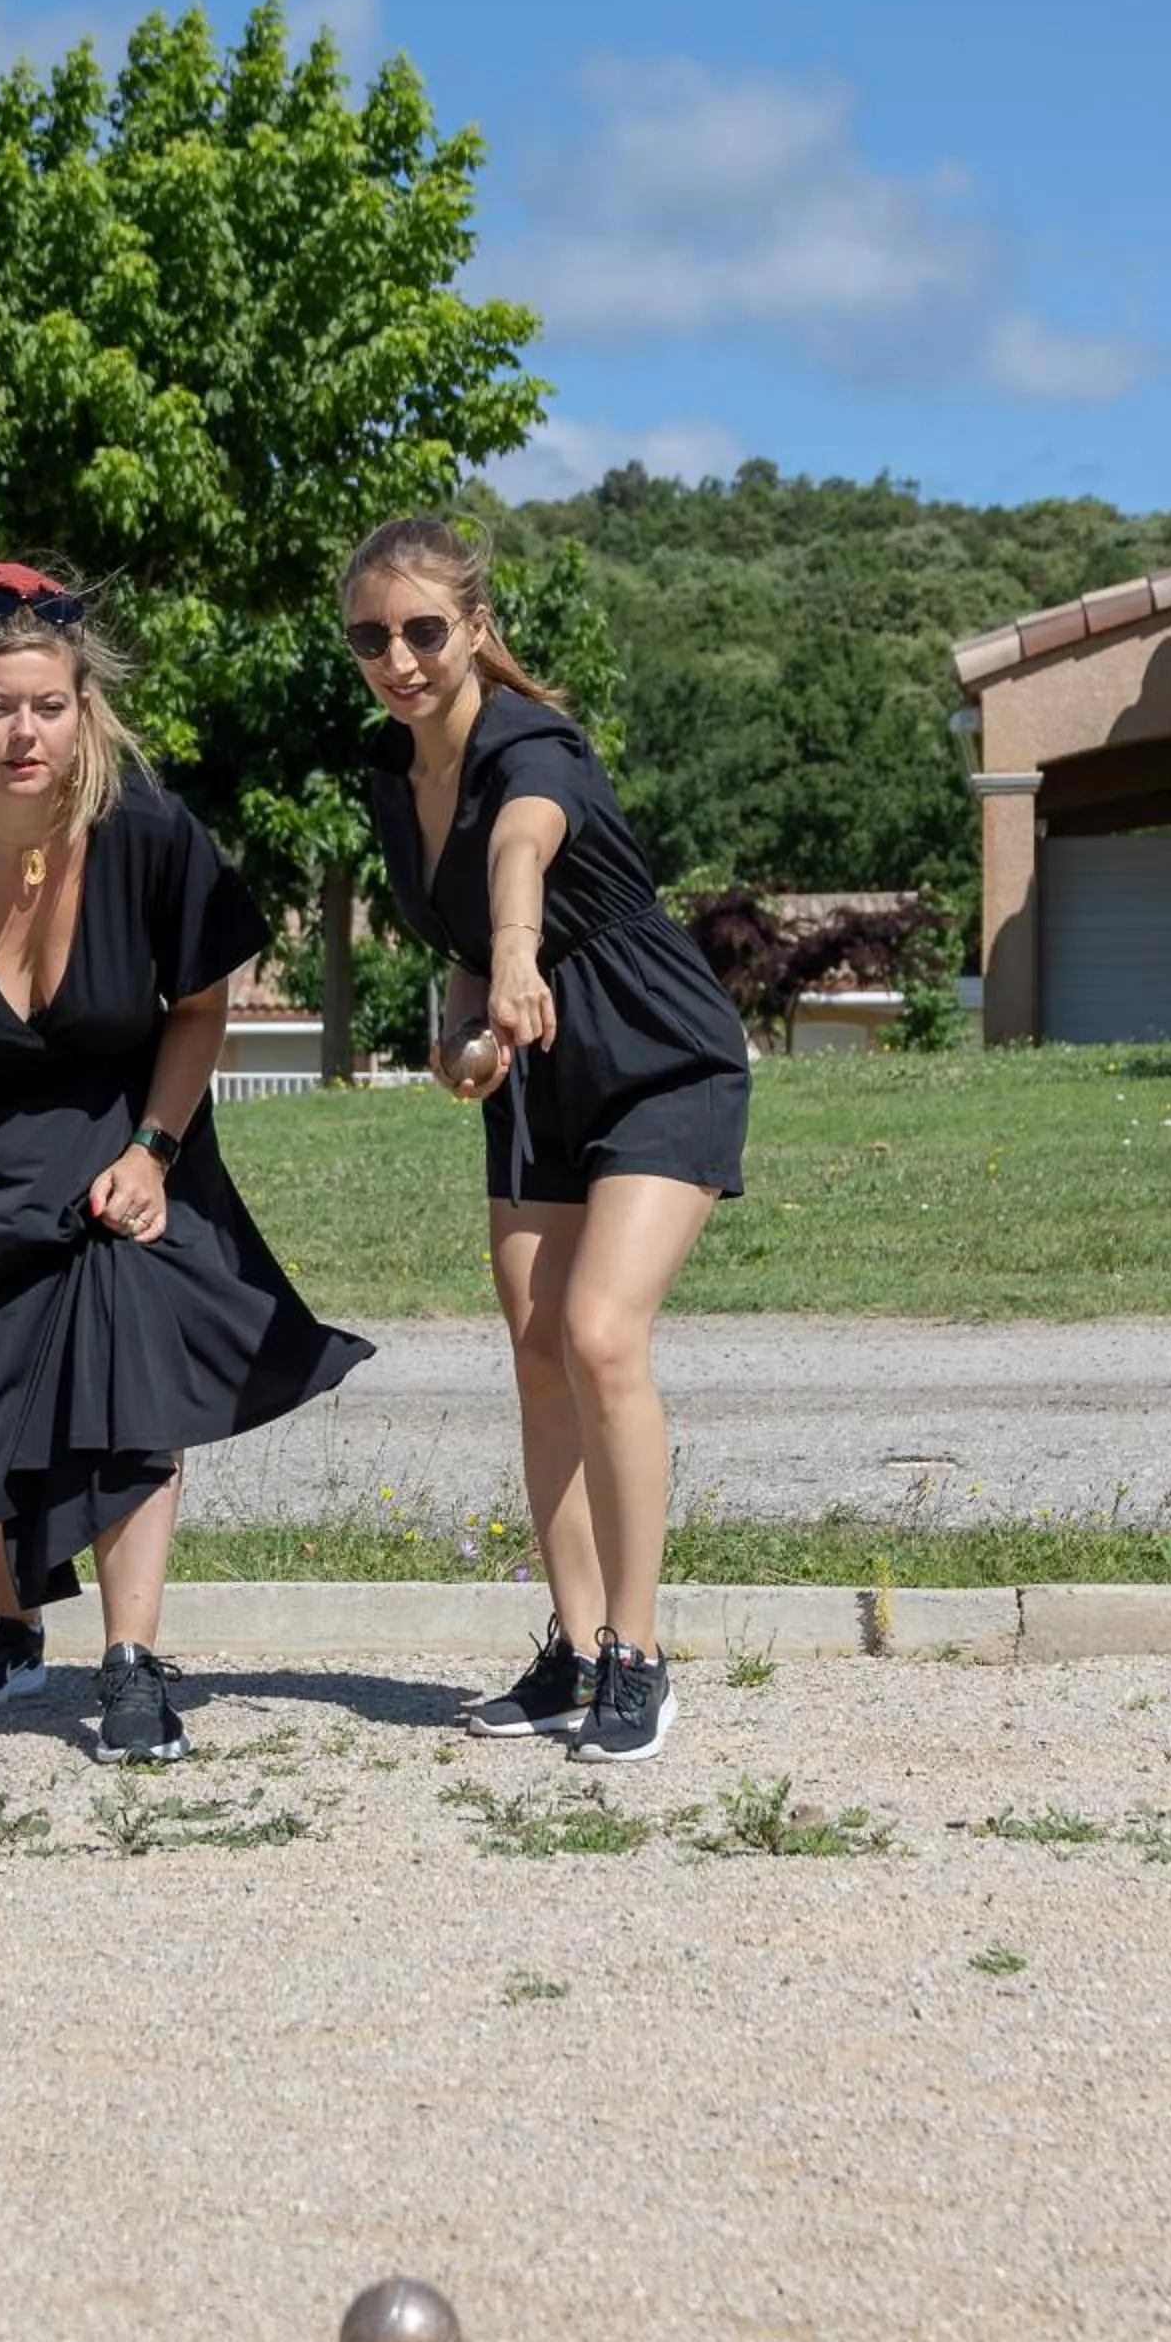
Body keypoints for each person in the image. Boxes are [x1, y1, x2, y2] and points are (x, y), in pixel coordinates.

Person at [0, 561, 372, 1763]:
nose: (23, 734)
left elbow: (202, 1011)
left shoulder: (155, 835)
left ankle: (131, 1660)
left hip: (125, 1140)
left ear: (84, 707)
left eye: (48, 707)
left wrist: (155, 1149)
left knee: (128, 1395)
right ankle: (12, 1629)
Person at [344, 516, 750, 1763]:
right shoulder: (385, 774)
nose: (400, 658)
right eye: (372, 637)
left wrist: (518, 952)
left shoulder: (536, 741)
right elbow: (463, 945)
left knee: (597, 1332)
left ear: (474, 627)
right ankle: (574, 1648)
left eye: (423, 630)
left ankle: (639, 1653)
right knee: (535, 1353)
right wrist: (466, 1027)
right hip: (538, 1078)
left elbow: (521, 848)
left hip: (659, 1058)